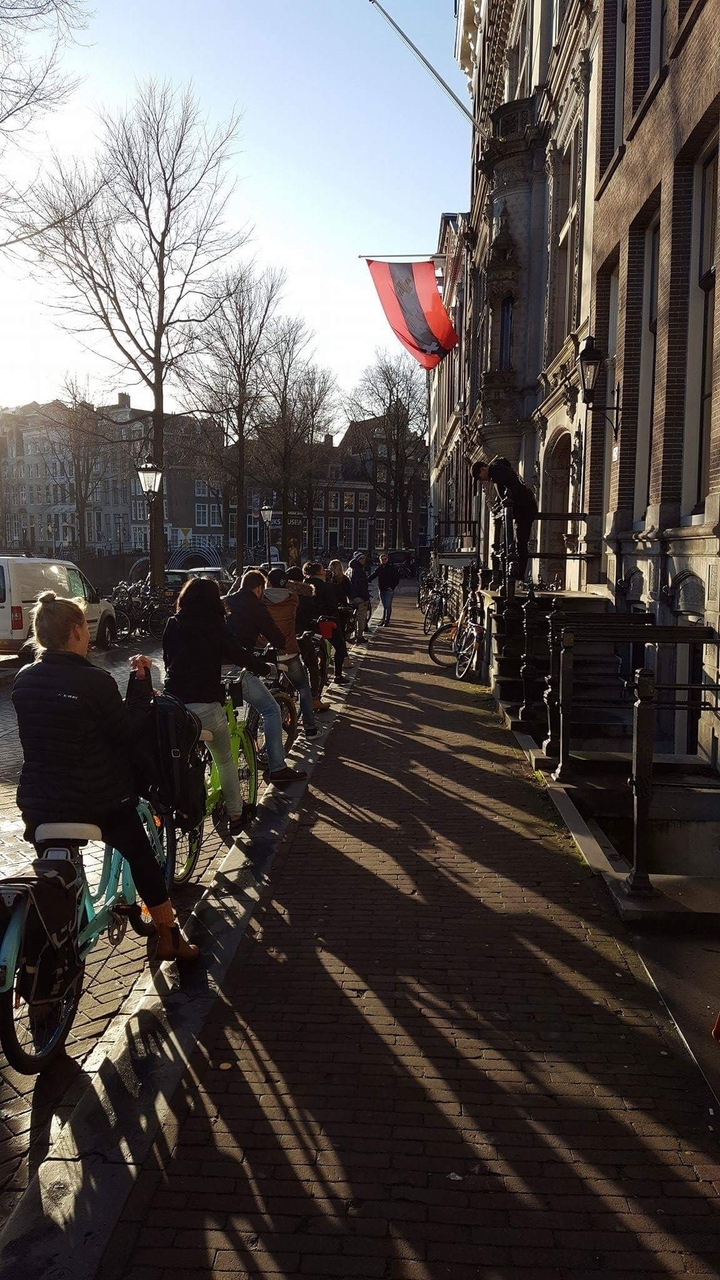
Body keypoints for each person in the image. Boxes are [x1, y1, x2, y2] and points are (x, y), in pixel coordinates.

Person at [12, 591, 198, 962]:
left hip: (40, 802)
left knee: (56, 873)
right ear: (78, 631)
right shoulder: (95, 681)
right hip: (99, 802)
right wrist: (141, 684)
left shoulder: (24, 679)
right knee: (142, 856)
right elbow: (126, 732)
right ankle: (168, 936)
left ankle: (63, 922)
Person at [163, 577, 271, 833]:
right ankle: (236, 815)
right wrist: (263, 667)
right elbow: (238, 654)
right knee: (223, 760)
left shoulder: (172, 624)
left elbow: (168, 661)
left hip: (174, 708)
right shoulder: (215, 626)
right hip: (205, 708)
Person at [225, 570, 307, 785]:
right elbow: (278, 638)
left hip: (212, 670)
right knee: (271, 710)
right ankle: (278, 768)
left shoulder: (226, 602)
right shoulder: (256, 607)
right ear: (259, 588)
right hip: (238, 668)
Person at [262, 567, 318, 738]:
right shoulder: (293, 599)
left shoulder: (260, 599)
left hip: (267, 652)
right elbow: (297, 590)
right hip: (289, 652)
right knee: (303, 686)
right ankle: (310, 728)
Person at [472, 455, 539, 583]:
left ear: (482, 470)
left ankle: (518, 577)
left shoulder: (497, 471)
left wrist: (503, 503)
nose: (482, 481)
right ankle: (515, 575)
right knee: (516, 543)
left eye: (479, 478)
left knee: (520, 543)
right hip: (523, 508)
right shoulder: (499, 471)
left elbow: (509, 491)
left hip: (525, 509)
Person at [286, 567, 328, 711]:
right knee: (311, 665)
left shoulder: (282, 594)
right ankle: (315, 698)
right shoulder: (306, 594)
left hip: (284, 636)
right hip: (301, 635)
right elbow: (310, 616)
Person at [303, 561, 348, 686]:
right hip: (325, 621)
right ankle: (337, 675)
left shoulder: (303, 585)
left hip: (307, 623)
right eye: (323, 569)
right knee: (339, 646)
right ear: (319, 573)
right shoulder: (327, 587)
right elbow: (332, 606)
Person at [369, 552, 401, 626]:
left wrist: (392, 587)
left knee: (387, 605)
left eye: (385, 559)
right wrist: (366, 580)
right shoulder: (379, 568)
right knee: (384, 605)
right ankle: (383, 620)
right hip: (381, 589)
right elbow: (374, 575)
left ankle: (386, 621)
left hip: (389, 589)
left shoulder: (392, 568)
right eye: (382, 559)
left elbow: (396, 579)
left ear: (387, 559)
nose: (383, 561)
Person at [347, 551, 371, 642]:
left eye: (364, 558)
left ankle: (349, 634)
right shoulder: (359, 571)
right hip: (359, 597)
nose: (364, 560)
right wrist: (365, 598)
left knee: (351, 616)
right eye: (361, 558)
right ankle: (359, 636)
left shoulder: (350, 569)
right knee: (361, 616)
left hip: (351, 596)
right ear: (358, 560)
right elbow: (361, 586)